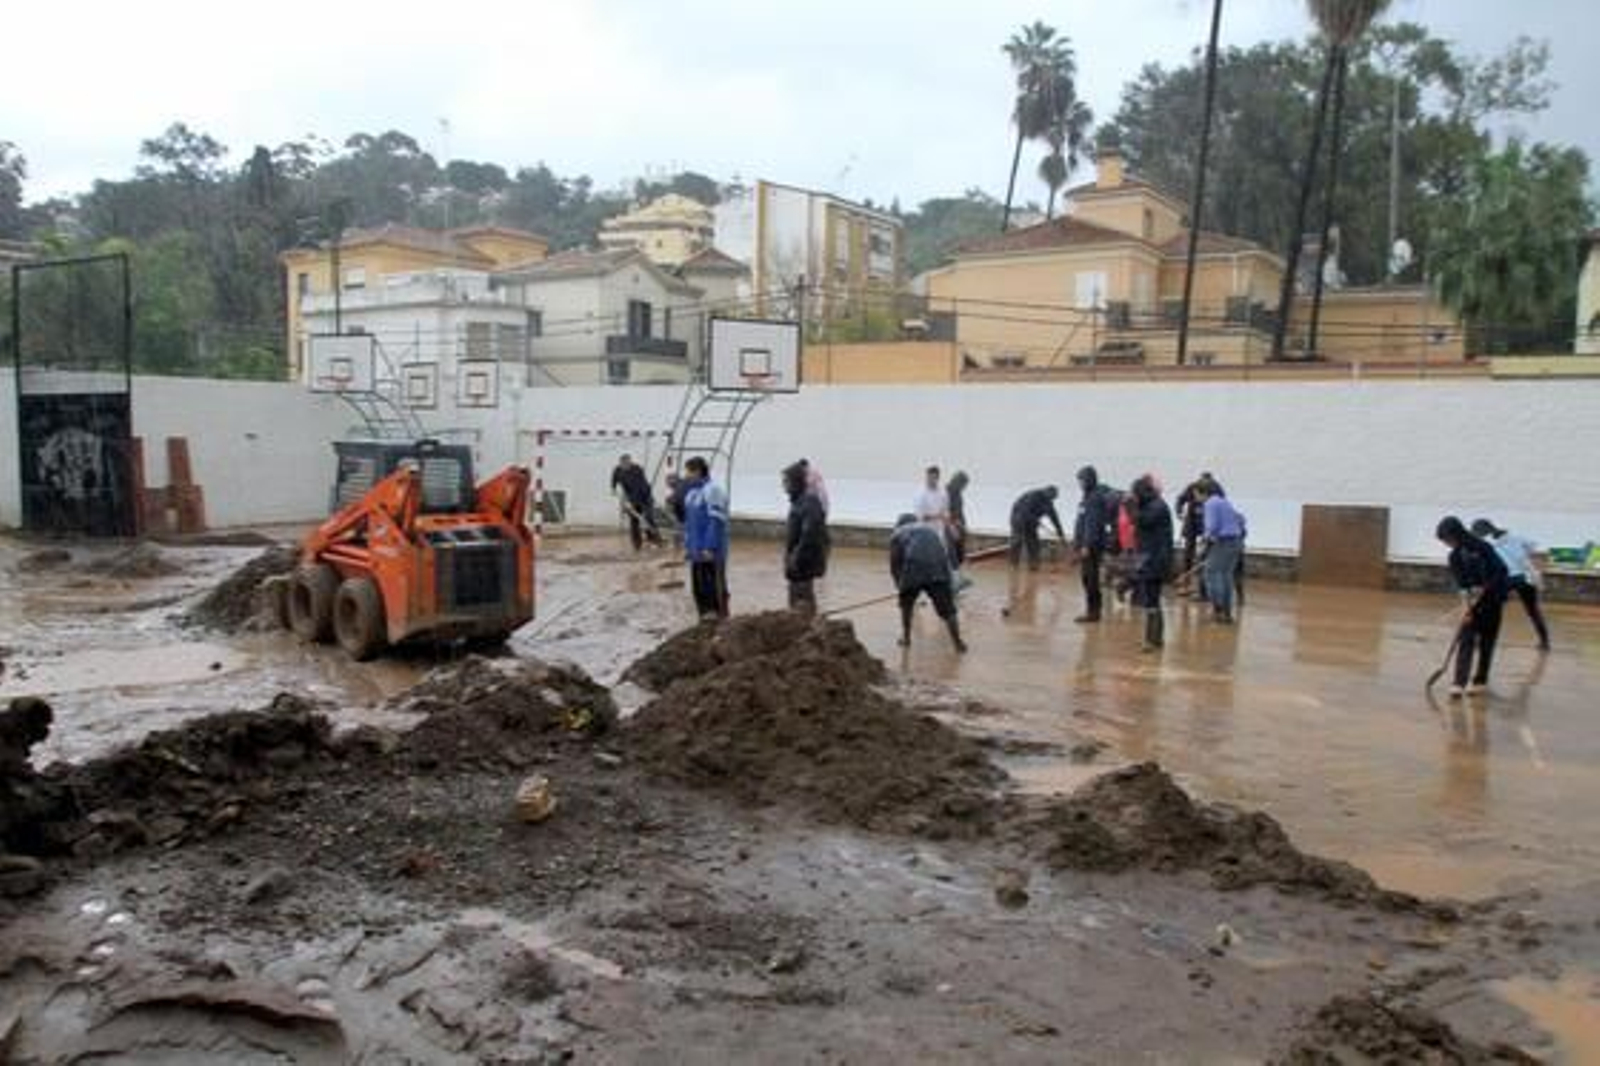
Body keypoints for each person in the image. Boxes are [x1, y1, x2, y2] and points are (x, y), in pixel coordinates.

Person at [1437, 516, 1511, 698]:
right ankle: (1458, 682)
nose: (1447, 543)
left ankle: (1480, 681)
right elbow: (1461, 585)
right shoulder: (1454, 556)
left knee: (1487, 641)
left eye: (1447, 539)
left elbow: (1502, 570)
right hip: (1472, 600)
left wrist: (1485, 586)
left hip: (1493, 599)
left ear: (1457, 533)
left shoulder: (1482, 547)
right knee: (1466, 639)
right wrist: (1465, 607)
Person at [889, 514, 967, 652]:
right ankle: (958, 643)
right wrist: (947, 583)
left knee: (906, 606)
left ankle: (906, 638)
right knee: (948, 610)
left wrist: (900, 586)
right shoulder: (931, 530)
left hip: (914, 567)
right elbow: (944, 555)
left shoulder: (897, 534)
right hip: (937, 569)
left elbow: (895, 564)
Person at [1471, 519, 1550, 652]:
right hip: (1527, 578)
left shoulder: (1487, 544)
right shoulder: (1516, 538)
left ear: (1482, 532)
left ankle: (1480, 639)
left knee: (1486, 608)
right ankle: (1545, 642)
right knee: (1533, 611)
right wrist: (1538, 571)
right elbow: (1539, 551)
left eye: (1476, 534)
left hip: (1507, 579)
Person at [682, 457, 730, 620]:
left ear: (697, 471)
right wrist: (688, 548)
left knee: (714, 589)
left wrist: (710, 547)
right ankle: (704, 622)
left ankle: (721, 621)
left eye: (688, 471)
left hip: (711, 553)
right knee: (699, 590)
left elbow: (715, 521)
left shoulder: (713, 490)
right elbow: (689, 525)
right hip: (696, 553)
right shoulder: (691, 494)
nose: (686, 475)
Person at [1130, 475, 1174, 652]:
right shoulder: (1153, 504)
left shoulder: (1156, 507)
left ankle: (1153, 641)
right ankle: (1154, 639)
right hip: (1151, 558)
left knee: (1151, 600)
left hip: (1155, 560)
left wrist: (1130, 507)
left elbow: (1141, 520)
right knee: (1150, 600)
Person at [1072, 465, 1119, 623]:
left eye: (1081, 480)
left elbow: (1092, 524)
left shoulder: (1094, 498)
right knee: (1087, 578)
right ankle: (1093, 611)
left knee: (1090, 579)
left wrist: (1086, 545)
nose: (1079, 484)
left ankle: (1093, 613)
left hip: (1091, 547)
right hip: (1088, 545)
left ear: (1088, 480)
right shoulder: (1088, 496)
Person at [782, 460, 829, 616]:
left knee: (802, 604)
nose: (783, 485)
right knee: (797, 602)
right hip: (797, 566)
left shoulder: (808, 502)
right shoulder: (798, 502)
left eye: (786, 481)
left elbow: (810, 535)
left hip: (803, 566)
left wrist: (796, 558)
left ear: (795, 482)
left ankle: (808, 632)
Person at [1199, 482, 1247, 624]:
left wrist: (1204, 542)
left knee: (1211, 573)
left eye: (1196, 495)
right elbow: (1241, 519)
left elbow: (1211, 526)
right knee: (1226, 575)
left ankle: (1218, 611)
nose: (1196, 499)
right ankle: (1226, 612)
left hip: (1224, 541)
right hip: (1236, 541)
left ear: (1202, 493)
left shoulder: (1210, 504)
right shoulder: (1224, 501)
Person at [1176, 472, 1224, 597]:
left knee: (1204, 556)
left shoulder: (1217, 489)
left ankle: (1203, 589)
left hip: (1207, 523)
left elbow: (1222, 506)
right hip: (1191, 522)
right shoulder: (1193, 486)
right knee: (1188, 554)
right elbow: (1180, 499)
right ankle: (1185, 584)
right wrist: (1179, 511)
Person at [610, 453, 662, 551]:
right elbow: (614, 480)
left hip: (644, 497)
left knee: (648, 518)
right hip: (631, 499)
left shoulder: (637, 469)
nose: (626, 465)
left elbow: (641, 487)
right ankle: (637, 544)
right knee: (634, 522)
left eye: (628, 463)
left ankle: (655, 540)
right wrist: (613, 488)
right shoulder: (617, 470)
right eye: (623, 464)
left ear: (631, 462)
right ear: (621, 463)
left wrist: (630, 504)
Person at [1009, 485, 1068, 571]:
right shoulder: (1034, 496)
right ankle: (1013, 565)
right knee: (1017, 541)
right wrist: (1035, 520)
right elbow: (1025, 510)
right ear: (1046, 493)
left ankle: (1033, 564)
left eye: (1052, 499)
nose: (1051, 500)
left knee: (1034, 542)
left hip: (1032, 522)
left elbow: (1055, 520)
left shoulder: (1049, 504)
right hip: (1018, 518)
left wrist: (1061, 535)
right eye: (1050, 498)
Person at [945, 470, 971, 571]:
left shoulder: (958, 494)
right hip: (950, 526)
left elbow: (959, 510)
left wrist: (964, 525)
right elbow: (945, 511)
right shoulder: (946, 492)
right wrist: (953, 525)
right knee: (952, 554)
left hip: (959, 526)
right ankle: (952, 574)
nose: (965, 487)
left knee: (959, 553)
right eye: (964, 484)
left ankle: (956, 572)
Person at [913, 465, 948, 530]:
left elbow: (945, 510)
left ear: (938, 478)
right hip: (924, 530)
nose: (931, 480)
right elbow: (920, 516)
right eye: (929, 477)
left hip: (939, 530)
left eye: (934, 478)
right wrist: (937, 516)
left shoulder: (943, 492)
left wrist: (946, 521)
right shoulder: (920, 493)